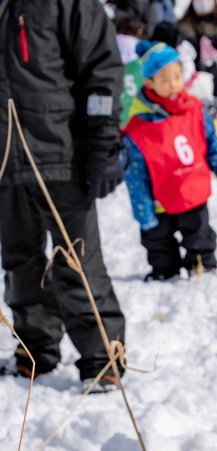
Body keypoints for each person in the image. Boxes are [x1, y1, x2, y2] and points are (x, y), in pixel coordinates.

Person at [0, 0, 127, 392]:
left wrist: (103, 136)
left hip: (62, 151)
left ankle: (102, 360)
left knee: (78, 258)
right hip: (4, 156)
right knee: (20, 260)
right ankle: (34, 350)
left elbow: (101, 68)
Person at [121, 42, 217, 281]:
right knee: (158, 240)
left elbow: (211, 141)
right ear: (149, 82)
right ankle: (165, 273)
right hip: (159, 199)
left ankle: (202, 269)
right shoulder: (139, 126)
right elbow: (135, 174)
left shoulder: (194, 110)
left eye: (177, 76)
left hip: (193, 192)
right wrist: (143, 210)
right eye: (164, 79)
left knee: (200, 235)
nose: (173, 84)